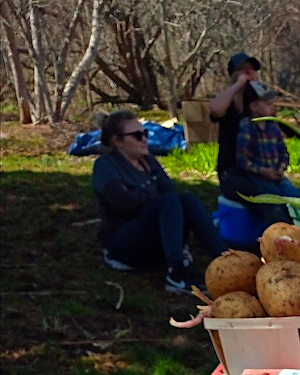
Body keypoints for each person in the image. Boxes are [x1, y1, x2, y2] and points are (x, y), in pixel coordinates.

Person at [92, 110, 226, 294]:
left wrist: (148, 200)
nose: (144, 139)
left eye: (145, 133)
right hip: (123, 246)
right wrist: (154, 202)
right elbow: (123, 202)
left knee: (187, 199)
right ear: (118, 141)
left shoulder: (147, 161)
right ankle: (177, 273)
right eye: (138, 135)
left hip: (153, 239)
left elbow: (169, 190)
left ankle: (225, 259)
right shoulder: (105, 166)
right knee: (168, 202)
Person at [232, 80, 300, 225]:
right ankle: (281, 231)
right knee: (273, 200)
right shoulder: (247, 127)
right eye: (267, 104)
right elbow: (242, 160)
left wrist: (281, 168)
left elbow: (284, 153)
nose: (272, 107)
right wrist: (263, 171)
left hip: (277, 175)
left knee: (295, 198)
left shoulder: (273, 127)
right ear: (254, 106)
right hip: (258, 176)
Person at [209, 51, 261, 203]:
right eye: (243, 69)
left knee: (289, 196)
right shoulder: (229, 101)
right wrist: (238, 85)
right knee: (266, 198)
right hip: (232, 172)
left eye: (251, 69)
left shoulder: (259, 101)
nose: (248, 73)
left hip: (259, 170)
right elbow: (215, 110)